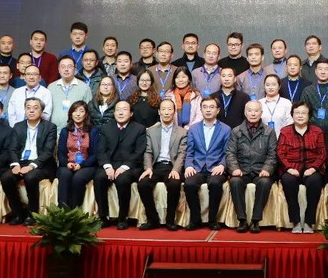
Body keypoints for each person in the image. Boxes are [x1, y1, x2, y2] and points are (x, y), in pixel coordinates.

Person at [2, 98, 57, 225]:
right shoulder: (18, 126)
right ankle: (18, 213)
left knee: (30, 177)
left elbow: (48, 152)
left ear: (42, 111)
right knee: (6, 178)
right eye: (28, 107)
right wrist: (15, 164)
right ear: (25, 110)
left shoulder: (50, 127)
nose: (31, 110)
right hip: (21, 162)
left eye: (35, 108)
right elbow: (12, 148)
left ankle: (32, 214)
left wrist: (32, 166)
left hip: (41, 164)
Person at [94, 100, 146, 230]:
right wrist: (107, 166)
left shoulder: (139, 129)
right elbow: (101, 150)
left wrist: (124, 167)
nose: (120, 112)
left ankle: (123, 218)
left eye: (124, 109)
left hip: (130, 166)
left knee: (122, 180)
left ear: (131, 113)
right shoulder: (106, 128)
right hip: (110, 164)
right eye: (118, 110)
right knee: (99, 178)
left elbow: (139, 152)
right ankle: (103, 217)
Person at [227, 101, 278, 233]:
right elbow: (230, 153)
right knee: (235, 181)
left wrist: (267, 169)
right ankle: (242, 220)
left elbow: (273, 154)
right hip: (242, 170)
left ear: (261, 113)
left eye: (256, 110)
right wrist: (235, 168)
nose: (253, 113)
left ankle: (256, 220)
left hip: (261, 171)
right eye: (250, 110)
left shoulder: (269, 131)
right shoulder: (236, 131)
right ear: (245, 113)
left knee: (264, 183)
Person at [138, 99, 187, 231]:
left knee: (174, 184)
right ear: (159, 112)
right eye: (163, 109)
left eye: (169, 109)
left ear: (174, 112)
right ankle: (152, 219)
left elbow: (182, 153)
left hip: (172, 166)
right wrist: (148, 168)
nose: (166, 112)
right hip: (156, 166)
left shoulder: (182, 132)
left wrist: (176, 170)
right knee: (143, 184)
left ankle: (170, 220)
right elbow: (148, 152)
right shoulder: (151, 131)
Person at [184, 96, 232, 230]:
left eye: (211, 107)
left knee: (215, 184)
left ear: (218, 110)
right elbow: (189, 151)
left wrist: (222, 165)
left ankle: (212, 220)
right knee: (189, 184)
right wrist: (189, 166)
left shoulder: (226, 129)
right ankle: (195, 220)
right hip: (197, 167)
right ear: (201, 110)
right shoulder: (193, 129)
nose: (208, 110)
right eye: (204, 107)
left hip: (216, 167)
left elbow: (228, 152)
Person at [277, 101, 326, 233]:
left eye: (303, 113)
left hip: (312, 168)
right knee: (288, 181)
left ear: (309, 115)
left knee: (315, 182)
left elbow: (322, 153)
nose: (300, 116)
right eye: (297, 113)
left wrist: (313, 168)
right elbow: (280, 153)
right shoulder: (285, 131)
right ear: (292, 115)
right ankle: (296, 221)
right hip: (291, 168)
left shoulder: (317, 131)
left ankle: (309, 222)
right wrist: (289, 168)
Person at [56, 101, 100, 209]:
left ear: (86, 114)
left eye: (81, 111)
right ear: (71, 114)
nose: (78, 114)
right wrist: (67, 164)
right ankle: (62, 210)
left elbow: (95, 154)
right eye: (75, 111)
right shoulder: (65, 131)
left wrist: (82, 165)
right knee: (64, 175)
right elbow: (60, 153)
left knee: (78, 178)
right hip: (68, 164)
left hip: (87, 165)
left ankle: (74, 211)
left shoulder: (93, 131)